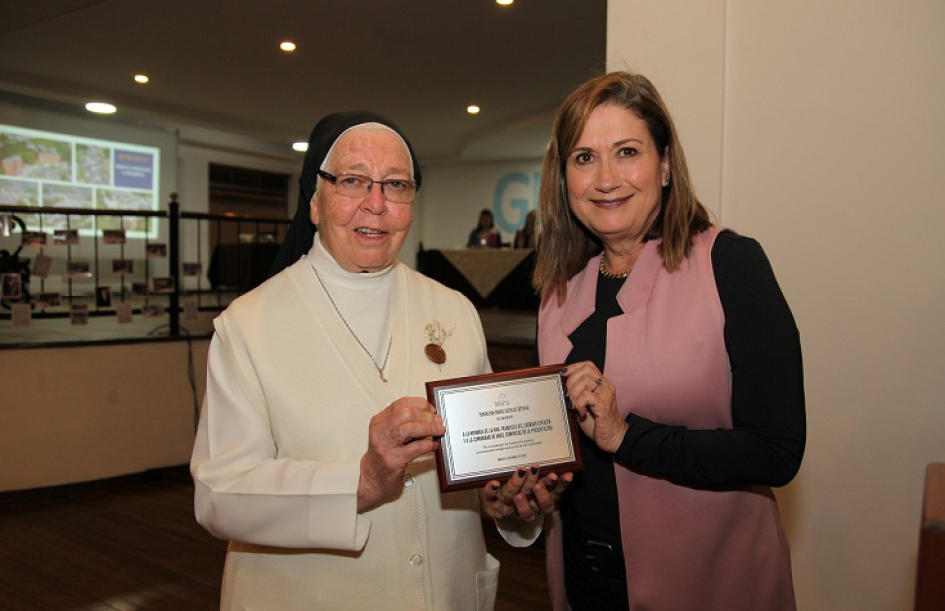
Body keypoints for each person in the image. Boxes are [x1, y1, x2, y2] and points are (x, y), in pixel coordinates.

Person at [191, 111, 567, 610]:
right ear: (315, 200)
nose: (377, 203)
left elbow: (480, 461)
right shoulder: (247, 327)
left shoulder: (454, 310)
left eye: (396, 184)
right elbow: (221, 495)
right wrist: (363, 481)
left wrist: (502, 501)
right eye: (353, 181)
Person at [532, 72, 806, 610]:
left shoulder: (730, 264)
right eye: (584, 158)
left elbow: (777, 451)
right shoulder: (558, 289)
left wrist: (624, 435)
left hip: (710, 584)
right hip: (585, 582)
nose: (606, 178)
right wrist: (530, 487)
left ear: (663, 165)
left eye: (627, 151)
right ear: (563, 179)